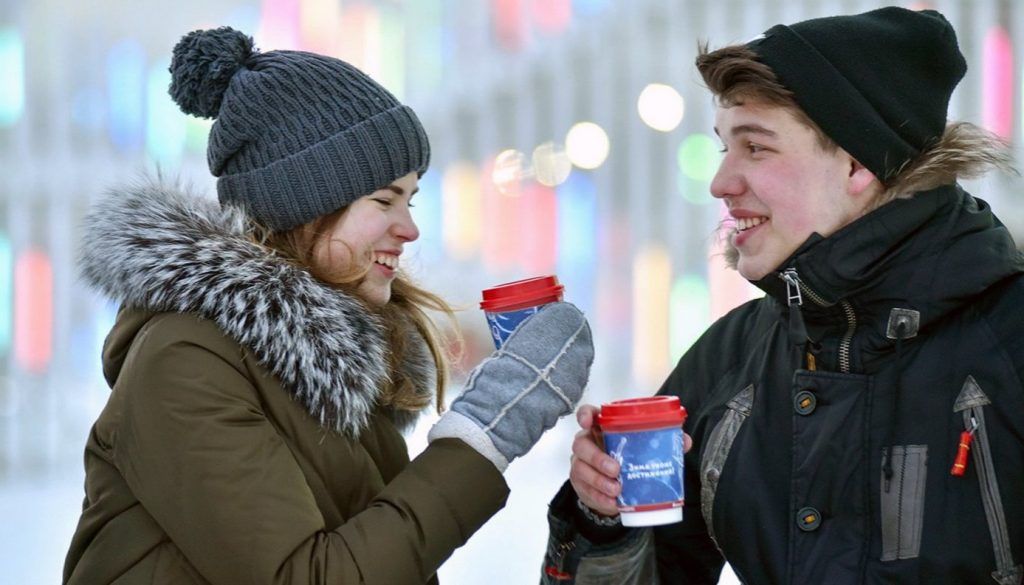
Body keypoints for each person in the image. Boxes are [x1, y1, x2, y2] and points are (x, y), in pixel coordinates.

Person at [62, 26, 594, 585]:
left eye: (411, 199)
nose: (409, 227)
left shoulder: (321, 365)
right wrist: (483, 434)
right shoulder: (185, 363)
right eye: (384, 199)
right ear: (303, 203)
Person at [542, 7, 1024, 584]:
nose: (721, 183)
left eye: (756, 147)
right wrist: (605, 519)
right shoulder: (731, 356)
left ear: (856, 163)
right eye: (724, 147)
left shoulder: (1011, 340)